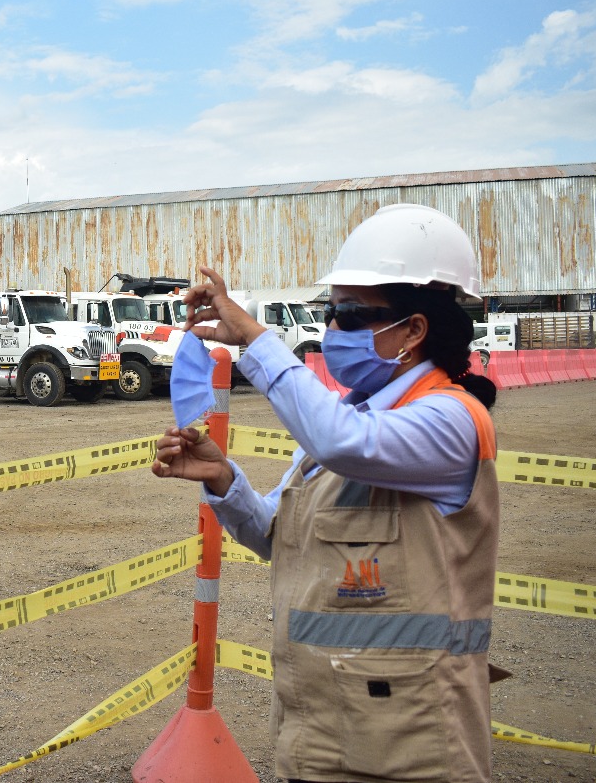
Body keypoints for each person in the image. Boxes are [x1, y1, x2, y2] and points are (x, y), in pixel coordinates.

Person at [153, 203, 500, 783]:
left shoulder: (450, 421)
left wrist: (254, 338)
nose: (331, 329)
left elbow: (344, 443)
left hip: (411, 741)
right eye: (328, 311)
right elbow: (277, 536)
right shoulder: (348, 416)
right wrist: (223, 481)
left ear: (413, 329)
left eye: (350, 314)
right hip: (320, 729)